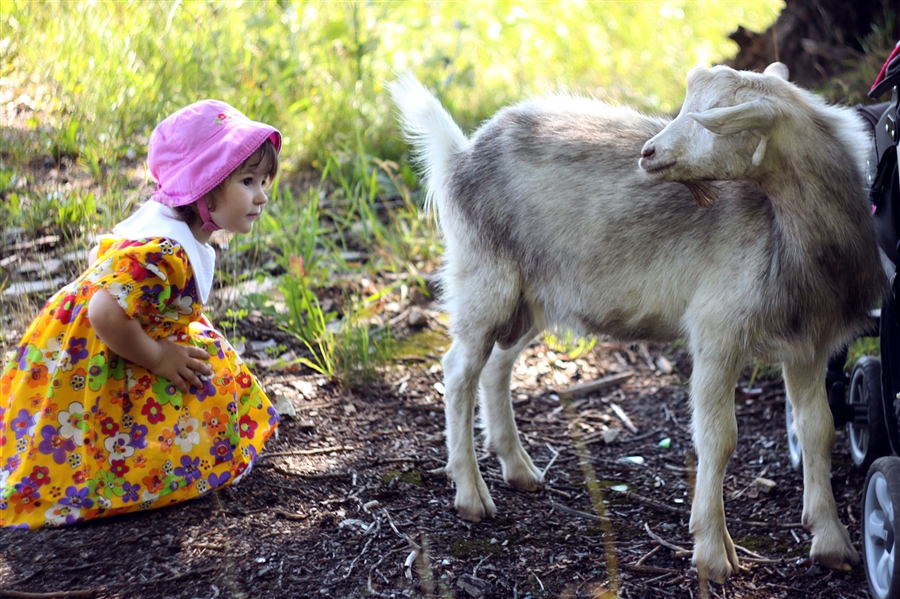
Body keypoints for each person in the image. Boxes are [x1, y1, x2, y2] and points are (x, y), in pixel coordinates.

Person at [0, 99, 281, 528]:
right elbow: (104, 313)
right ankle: (125, 475)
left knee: (208, 373)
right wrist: (158, 357)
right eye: (247, 181)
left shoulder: (174, 230)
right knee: (101, 433)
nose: (261, 196)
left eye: (263, 181)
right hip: (104, 348)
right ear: (202, 189)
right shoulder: (165, 251)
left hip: (127, 332)